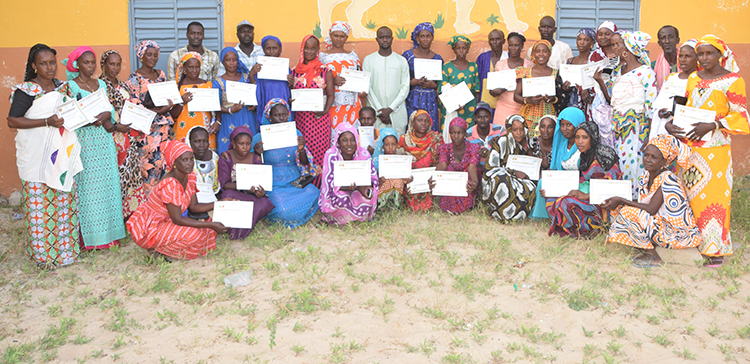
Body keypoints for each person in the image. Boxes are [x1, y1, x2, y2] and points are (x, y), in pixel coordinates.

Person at [666, 35, 747, 266]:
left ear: (720, 55)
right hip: (691, 149)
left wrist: (714, 124)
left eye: (709, 53)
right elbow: (687, 109)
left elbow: (741, 115)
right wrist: (673, 123)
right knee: (690, 196)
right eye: (700, 53)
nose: (704, 58)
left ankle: (714, 250)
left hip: (717, 149)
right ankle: (690, 243)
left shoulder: (733, 81)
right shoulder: (693, 78)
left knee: (715, 198)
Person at [8, 44, 82, 268]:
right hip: (36, 157)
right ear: (34, 66)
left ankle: (66, 253)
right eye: (43, 63)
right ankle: (43, 257)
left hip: (61, 156)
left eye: (52, 63)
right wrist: (46, 122)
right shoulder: (26, 91)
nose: (49, 68)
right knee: (40, 207)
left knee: (64, 205)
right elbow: (13, 120)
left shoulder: (63, 88)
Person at [59, 47, 126, 250]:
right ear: (77, 65)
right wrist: (86, 120)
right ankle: (90, 238)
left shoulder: (101, 85)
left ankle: (110, 235)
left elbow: (109, 110)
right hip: (84, 141)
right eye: (86, 62)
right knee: (88, 187)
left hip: (104, 141)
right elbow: (66, 116)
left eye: (92, 62)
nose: (90, 66)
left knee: (108, 185)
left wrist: (107, 115)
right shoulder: (69, 86)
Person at [603, 135, 701, 267]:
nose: (648, 160)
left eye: (654, 157)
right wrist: (618, 201)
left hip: (676, 234)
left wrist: (621, 200)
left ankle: (653, 256)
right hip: (660, 224)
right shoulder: (646, 176)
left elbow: (651, 209)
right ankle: (642, 244)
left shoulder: (668, 179)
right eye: (646, 155)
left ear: (663, 162)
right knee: (622, 208)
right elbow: (643, 202)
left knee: (628, 211)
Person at [127, 140, 230, 260]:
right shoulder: (170, 184)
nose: (190, 163)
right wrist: (211, 225)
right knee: (195, 234)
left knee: (207, 229)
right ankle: (156, 250)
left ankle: (165, 249)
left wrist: (219, 204)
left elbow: (194, 206)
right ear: (174, 162)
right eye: (184, 160)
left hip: (168, 221)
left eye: (191, 159)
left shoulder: (190, 176)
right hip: (151, 227)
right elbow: (178, 219)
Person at [594, 31, 657, 198]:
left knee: (635, 166)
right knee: (621, 164)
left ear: (628, 48)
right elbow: (611, 101)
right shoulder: (617, 72)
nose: (614, 48)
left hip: (637, 127)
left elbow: (651, 106)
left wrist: (649, 137)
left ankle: (636, 202)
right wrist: (600, 81)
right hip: (618, 126)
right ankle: (622, 202)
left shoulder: (645, 72)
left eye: (617, 44)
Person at [544, 121, 621, 238]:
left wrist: (587, 195)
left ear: (593, 138)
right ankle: (577, 226)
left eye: (584, 137)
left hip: (604, 202)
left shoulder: (604, 153)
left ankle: (592, 227)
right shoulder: (583, 156)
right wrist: (553, 189)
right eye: (577, 137)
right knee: (552, 198)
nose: (580, 141)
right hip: (587, 197)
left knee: (566, 203)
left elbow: (613, 181)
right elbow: (580, 181)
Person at [252, 99, 320, 228]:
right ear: (269, 117)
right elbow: (252, 165)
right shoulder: (259, 138)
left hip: (296, 182)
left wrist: (301, 150)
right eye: (277, 115)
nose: (281, 118)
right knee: (282, 209)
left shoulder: (295, 133)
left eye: (284, 115)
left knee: (315, 193)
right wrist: (256, 153)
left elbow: (304, 163)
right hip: (274, 185)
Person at [100, 50, 146, 218]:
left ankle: (129, 216)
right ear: (103, 65)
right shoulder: (98, 85)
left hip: (128, 137)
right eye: (111, 64)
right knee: (115, 177)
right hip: (111, 137)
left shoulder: (123, 85)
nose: (115, 67)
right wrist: (115, 127)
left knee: (130, 174)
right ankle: (114, 217)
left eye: (118, 64)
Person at [124, 40, 174, 196]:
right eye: (149, 54)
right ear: (141, 56)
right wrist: (162, 110)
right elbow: (135, 107)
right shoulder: (134, 80)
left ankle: (164, 207)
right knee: (149, 169)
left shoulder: (161, 75)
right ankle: (149, 208)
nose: (153, 58)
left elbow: (167, 96)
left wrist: (169, 105)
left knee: (165, 167)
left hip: (164, 131)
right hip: (147, 132)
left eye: (155, 55)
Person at [290, 35, 335, 186]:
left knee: (320, 154)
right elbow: (290, 95)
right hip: (301, 121)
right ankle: (304, 186)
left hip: (319, 121)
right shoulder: (294, 72)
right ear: (302, 49)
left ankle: (319, 187)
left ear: (318, 50)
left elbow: (330, 95)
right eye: (306, 48)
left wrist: (325, 111)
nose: (309, 51)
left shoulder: (325, 71)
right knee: (302, 151)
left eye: (313, 48)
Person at [216, 125, 275, 239]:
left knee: (264, 202)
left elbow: (261, 183)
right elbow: (225, 184)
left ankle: (242, 228)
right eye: (241, 143)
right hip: (234, 192)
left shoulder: (256, 159)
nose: (245, 147)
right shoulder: (226, 157)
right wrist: (243, 186)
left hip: (250, 195)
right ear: (234, 143)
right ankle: (235, 229)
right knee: (228, 196)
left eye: (248, 144)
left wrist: (260, 192)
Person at [481, 114, 538, 221]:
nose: (519, 133)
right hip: (500, 178)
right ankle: (502, 212)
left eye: (521, 129)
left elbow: (533, 164)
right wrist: (513, 172)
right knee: (502, 179)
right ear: (509, 130)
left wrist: (526, 147)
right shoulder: (501, 142)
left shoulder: (529, 142)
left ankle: (519, 213)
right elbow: (489, 169)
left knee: (530, 186)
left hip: (520, 179)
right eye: (515, 130)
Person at [319, 123, 379, 224]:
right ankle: (335, 217)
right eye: (344, 140)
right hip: (339, 191)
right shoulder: (331, 155)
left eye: (352, 139)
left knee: (368, 195)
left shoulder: (364, 154)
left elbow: (372, 179)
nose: (349, 144)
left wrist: (365, 187)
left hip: (359, 190)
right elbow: (329, 184)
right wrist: (356, 187)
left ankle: (356, 216)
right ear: (338, 141)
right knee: (340, 199)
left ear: (357, 139)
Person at [531, 108, 584, 220]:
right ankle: (543, 216)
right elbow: (556, 169)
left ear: (578, 124)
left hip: (580, 182)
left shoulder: (584, 143)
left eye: (569, 125)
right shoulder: (561, 143)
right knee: (543, 182)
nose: (564, 129)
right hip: (563, 180)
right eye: (562, 125)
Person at [514, 40, 570, 137]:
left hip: (548, 115)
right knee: (529, 142)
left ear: (549, 53)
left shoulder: (556, 73)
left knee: (547, 143)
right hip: (528, 115)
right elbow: (516, 96)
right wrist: (529, 100)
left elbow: (560, 98)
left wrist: (553, 99)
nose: (541, 54)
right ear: (533, 54)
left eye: (544, 51)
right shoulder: (525, 72)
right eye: (538, 51)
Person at [363, 26, 410, 137]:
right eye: (381, 37)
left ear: (392, 39)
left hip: (397, 112)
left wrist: (390, 109)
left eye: (387, 37)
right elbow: (367, 86)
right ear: (376, 39)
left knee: (396, 146)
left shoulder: (401, 61)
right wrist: (380, 110)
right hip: (375, 112)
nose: (385, 40)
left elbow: (405, 88)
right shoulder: (369, 60)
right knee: (375, 146)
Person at [430, 117, 480, 214]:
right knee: (449, 170)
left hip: (468, 177)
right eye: (453, 133)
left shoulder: (473, 147)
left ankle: (468, 204)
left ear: (465, 134)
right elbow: (443, 164)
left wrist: (475, 182)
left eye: (459, 133)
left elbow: (472, 166)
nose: (456, 136)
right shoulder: (444, 148)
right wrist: (433, 177)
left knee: (467, 173)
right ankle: (449, 206)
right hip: (452, 180)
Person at [320, 21, 364, 129]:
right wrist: (332, 80)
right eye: (336, 35)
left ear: (346, 38)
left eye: (342, 36)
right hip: (333, 103)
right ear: (330, 35)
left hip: (352, 103)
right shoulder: (322, 57)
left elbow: (360, 76)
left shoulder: (353, 56)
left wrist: (363, 90)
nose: (338, 39)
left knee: (351, 133)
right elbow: (317, 79)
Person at [650, 40, 697, 139]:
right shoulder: (671, 78)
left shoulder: (698, 81)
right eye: (681, 56)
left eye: (688, 56)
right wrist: (660, 111)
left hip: (681, 129)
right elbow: (660, 102)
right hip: (663, 126)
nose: (683, 59)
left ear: (697, 58)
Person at [213, 47, 256, 155]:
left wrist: (253, 105)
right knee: (228, 153)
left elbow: (254, 97)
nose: (231, 63)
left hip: (247, 117)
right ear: (223, 62)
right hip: (228, 119)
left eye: (234, 60)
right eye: (228, 60)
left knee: (249, 151)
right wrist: (230, 110)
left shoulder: (246, 78)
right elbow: (215, 105)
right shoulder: (218, 82)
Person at [398, 110, 443, 211]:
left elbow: (442, 162)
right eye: (419, 120)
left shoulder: (436, 139)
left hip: (430, 182)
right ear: (412, 122)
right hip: (411, 182)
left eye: (427, 121)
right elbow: (398, 164)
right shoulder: (404, 140)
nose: (423, 123)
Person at [172, 52, 219, 149]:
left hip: (205, 130)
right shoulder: (177, 87)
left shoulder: (207, 85)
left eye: (197, 67)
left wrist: (218, 122)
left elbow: (216, 107)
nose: (194, 70)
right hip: (183, 130)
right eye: (190, 67)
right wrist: (182, 102)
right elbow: (172, 115)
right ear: (184, 69)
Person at [403, 22, 443, 131]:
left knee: (430, 128)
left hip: (430, 100)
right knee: (413, 128)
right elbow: (400, 79)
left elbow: (440, 84)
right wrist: (413, 82)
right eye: (422, 36)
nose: (425, 39)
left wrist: (432, 85)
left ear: (432, 38)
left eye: (428, 36)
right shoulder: (408, 56)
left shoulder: (437, 58)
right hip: (413, 99)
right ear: (417, 38)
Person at [491, 32, 531, 125]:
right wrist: (494, 91)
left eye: (516, 45)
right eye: (510, 45)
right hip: (503, 107)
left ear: (522, 47)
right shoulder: (500, 64)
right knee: (501, 135)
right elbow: (492, 90)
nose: (513, 48)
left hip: (523, 108)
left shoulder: (528, 65)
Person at [441, 36, 480, 129]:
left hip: (469, 108)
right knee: (452, 133)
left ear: (468, 50)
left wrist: (476, 108)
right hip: (452, 108)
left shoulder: (473, 66)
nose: (461, 51)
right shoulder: (447, 66)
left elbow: (476, 88)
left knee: (468, 133)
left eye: (464, 48)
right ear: (454, 50)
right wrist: (454, 104)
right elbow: (442, 87)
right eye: (458, 48)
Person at [253, 36, 291, 122]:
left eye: (275, 48)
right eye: (268, 48)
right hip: (265, 102)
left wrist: (291, 83)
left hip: (282, 108)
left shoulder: (285, 67)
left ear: (280, 49)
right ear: (263, 49)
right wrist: (252, 74)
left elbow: (290, 90)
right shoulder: (259, 67)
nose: (271, 52)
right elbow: (253, 87)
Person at [373, 127, 411, 210]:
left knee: (398, 181)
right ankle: (381, 206)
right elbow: (372, 180)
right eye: (387, 145)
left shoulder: (401, 158)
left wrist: (407, 178)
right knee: (390, 181)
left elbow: (407, 174)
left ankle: (395, 205)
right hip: (382, 188)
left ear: (397, 145)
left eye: (393, 144)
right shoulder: (377, 160)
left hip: (397, 187)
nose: (390, 147)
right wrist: (379, 181)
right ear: (382, 145)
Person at [565, 28, 597, 121]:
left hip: (589, 103)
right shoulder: (570, 61)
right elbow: (565, 87)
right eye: (579, 39)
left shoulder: (594, 62)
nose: (582, 42)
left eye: (586, 40)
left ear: (592, 43)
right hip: (572, 102)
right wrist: (565, 87)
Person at [476, 29, 508, 107]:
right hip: (485, 103)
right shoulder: (482, 58)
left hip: (505, 103)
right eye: (491, 40)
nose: (494, 42)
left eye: (498, 39)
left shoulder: (509, 57)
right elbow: (477, 81)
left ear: (503, 41)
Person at [467, 101, 504, 167]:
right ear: (475, 118)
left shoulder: (500, 130)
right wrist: (477, 154)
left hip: (498, 168)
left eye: (486, 117)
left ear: (490, 117)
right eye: (479, 117)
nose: (482, 120)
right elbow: (466, 156)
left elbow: (507, 150)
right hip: (476, 169)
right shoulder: (468, 135)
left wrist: (496, 146)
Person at [187, 126, 220, 196]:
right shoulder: (185, 159)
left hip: (213, 196)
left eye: (205, 141)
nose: (202, 145)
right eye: (197, 141)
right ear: (190, 142)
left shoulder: (215, 158)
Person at [651, 26, 681, 90]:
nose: (667, 41)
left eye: (671, 37)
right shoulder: (653, 66)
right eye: (663, 38)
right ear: (659, 43)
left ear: (677, 40)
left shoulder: (686, 64)